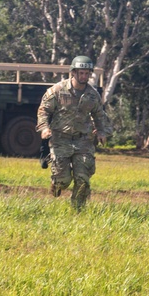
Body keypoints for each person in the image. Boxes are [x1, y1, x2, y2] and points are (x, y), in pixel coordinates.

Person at [37, 56, 112, 209]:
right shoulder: (57, 90)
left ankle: (78, 211)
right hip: (60, 139)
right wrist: (44, 128)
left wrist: (102, 132)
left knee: (83, 179)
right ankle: (56, 184)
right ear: (73, 73)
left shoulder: (93, 94)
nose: (84, 76)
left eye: (87, 73)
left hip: (83, 140)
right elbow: (44, 110)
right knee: (63, 181)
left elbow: (100, 115)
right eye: (81, 73)